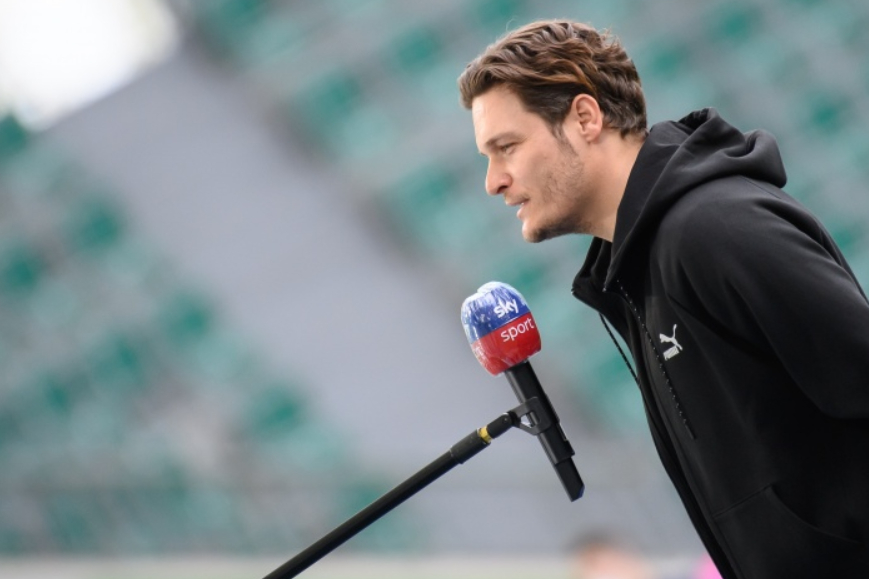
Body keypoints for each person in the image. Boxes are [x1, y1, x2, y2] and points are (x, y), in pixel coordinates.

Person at [458, 19, 869, 579]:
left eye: (506, 147)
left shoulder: (714, 230)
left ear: (585, 118)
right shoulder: (639, 270)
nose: (493, 181)